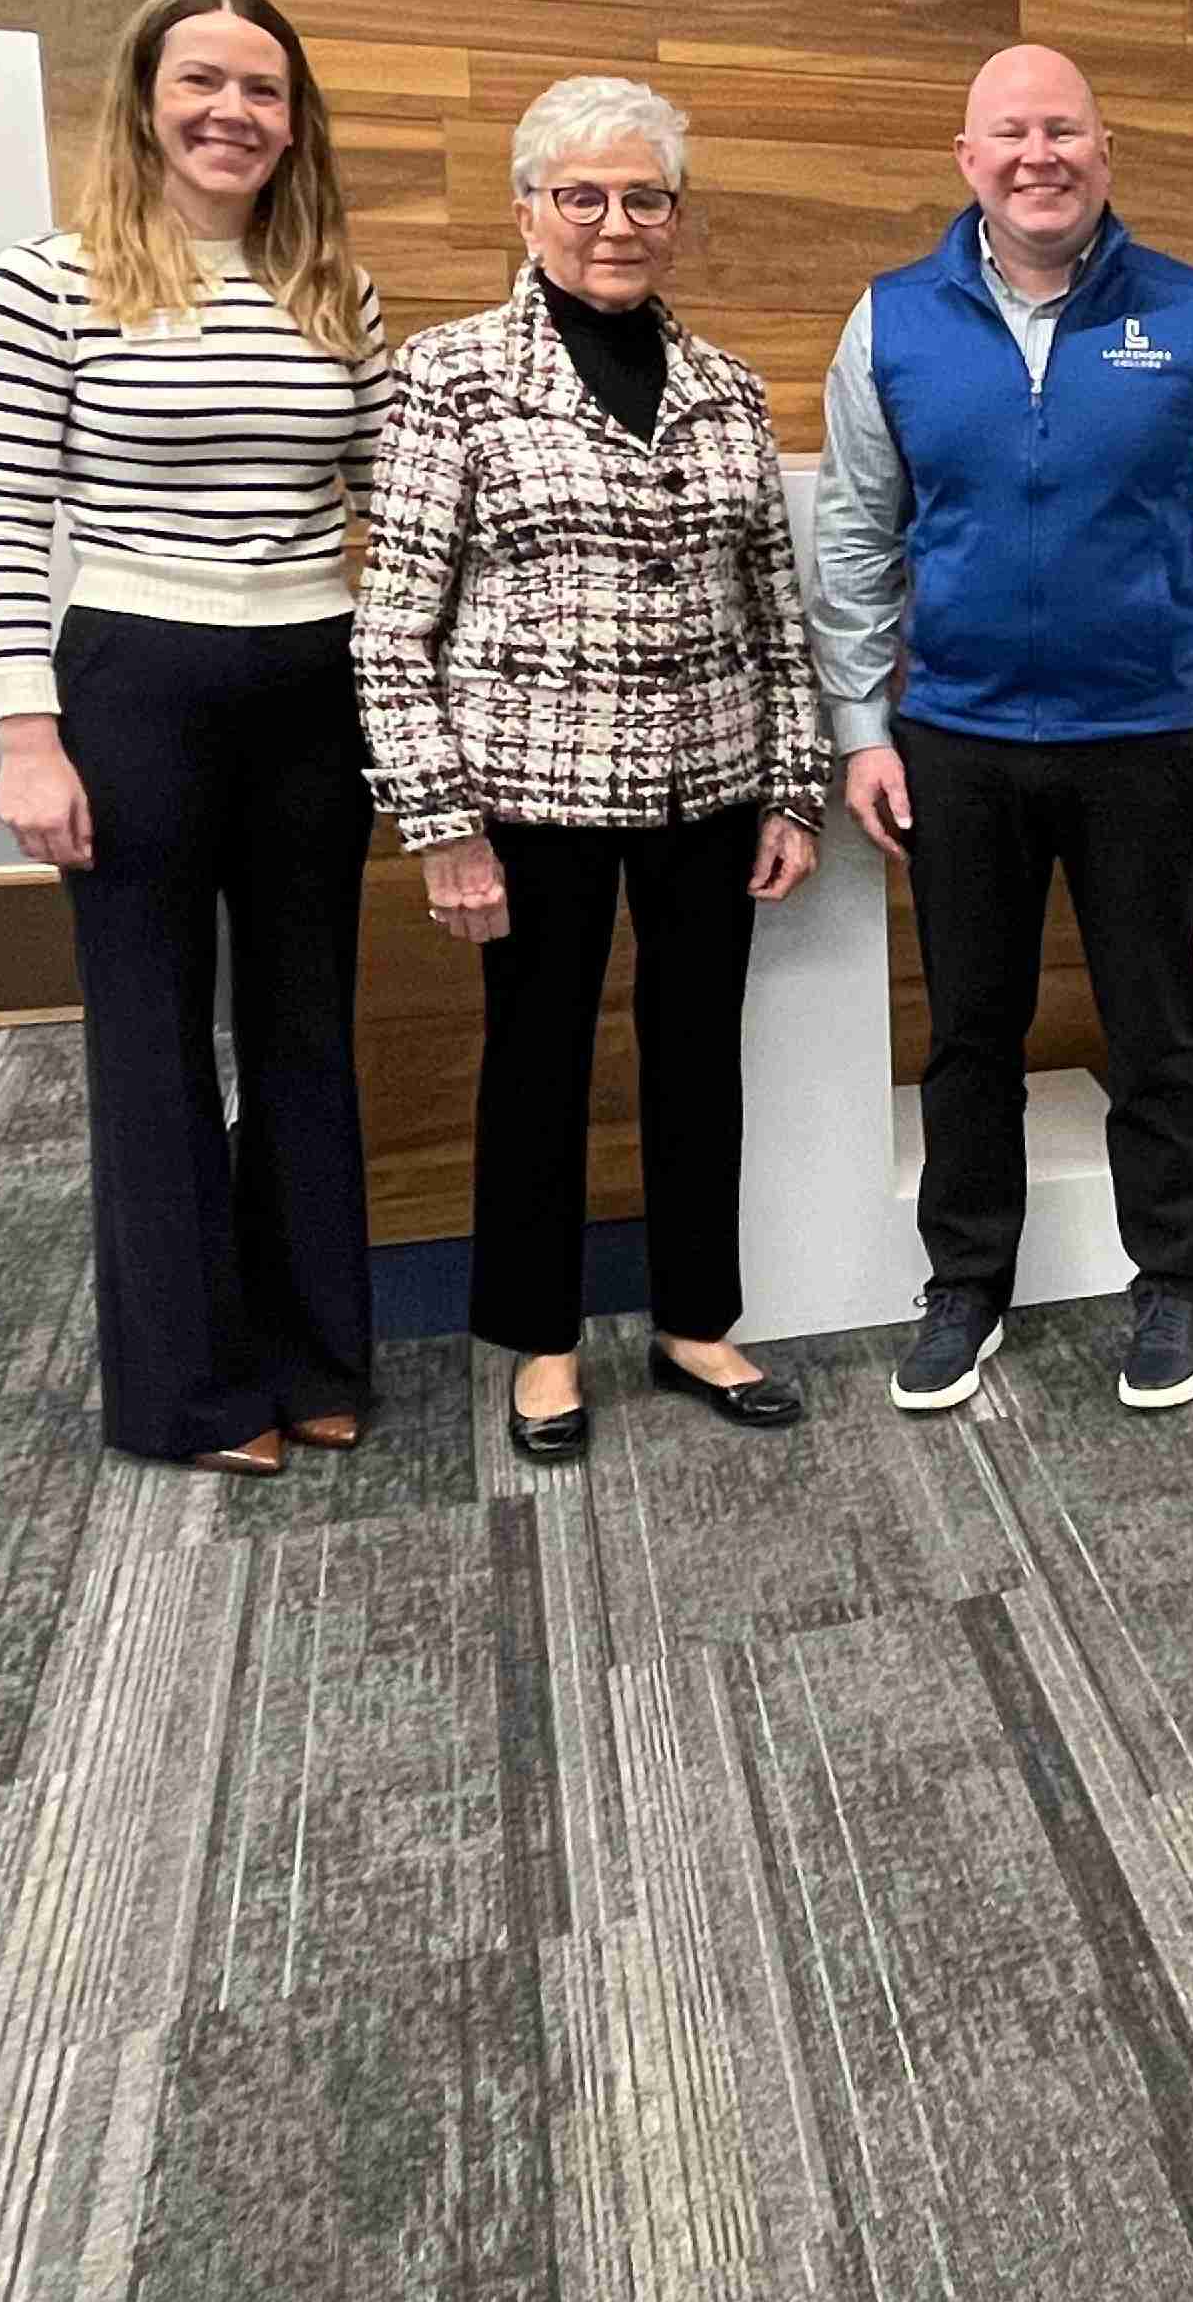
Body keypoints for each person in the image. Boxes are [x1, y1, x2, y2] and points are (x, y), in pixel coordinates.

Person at [809, 45, 1193, 1417]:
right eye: (1010, 133)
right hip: (954, 741)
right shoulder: (892, 323)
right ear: (966, 158)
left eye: (1066, 131)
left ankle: (1170, 1285)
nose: (1041, 156)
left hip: (1145, 738)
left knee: (1155, 1024)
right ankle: (965, 1288)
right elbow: (853, 538)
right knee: (972, 1029)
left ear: (1107, 150)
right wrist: (863, 728)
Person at [350, 77, 827, 1462]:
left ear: (676, 216)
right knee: (538, 1064)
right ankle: (542, 1343)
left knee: (697, 1060)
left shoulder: (728, 387)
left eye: (645, 197)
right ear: (527, 210)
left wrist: (791, 786)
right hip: (528, 800)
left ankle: (696, 1320)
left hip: (711, 788)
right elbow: (395, 628)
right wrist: (440, 824)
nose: (616, 224)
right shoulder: (452, 377)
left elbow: (773, 612)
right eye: (583, 196)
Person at [0, 0, 387, 1477]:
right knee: (151, 1043)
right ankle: (190, 1395)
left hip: (311, 682)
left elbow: (398, 503)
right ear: (145, 97)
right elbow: (6, 520)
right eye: (202, 82)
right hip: (136, 683)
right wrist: (29, 734)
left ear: (295, 120)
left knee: (301, 1031)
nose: (233, 114)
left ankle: (315, 1353)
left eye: (264, 91)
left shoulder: (335, 285)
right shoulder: (52, 278)